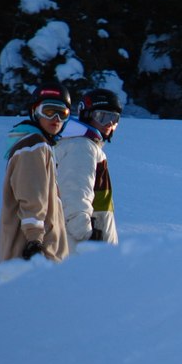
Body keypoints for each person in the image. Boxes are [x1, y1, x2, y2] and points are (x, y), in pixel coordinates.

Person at [0, 82, 71, 263]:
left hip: (36, 256)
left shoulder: (38, 145)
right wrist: (34, 241)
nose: (55, 118)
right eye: (48, 111)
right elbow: (32, 197)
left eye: (62, 113)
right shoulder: (33, 146)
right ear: (34, 111)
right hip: (33, 257)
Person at [54, 87, 123, 250]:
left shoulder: (80, 145)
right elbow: (74, 194)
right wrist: (87, 236)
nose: (110, 124)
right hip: (84, 248)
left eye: (114, 118)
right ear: (86, 116)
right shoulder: (82, 147)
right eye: (103, 117)